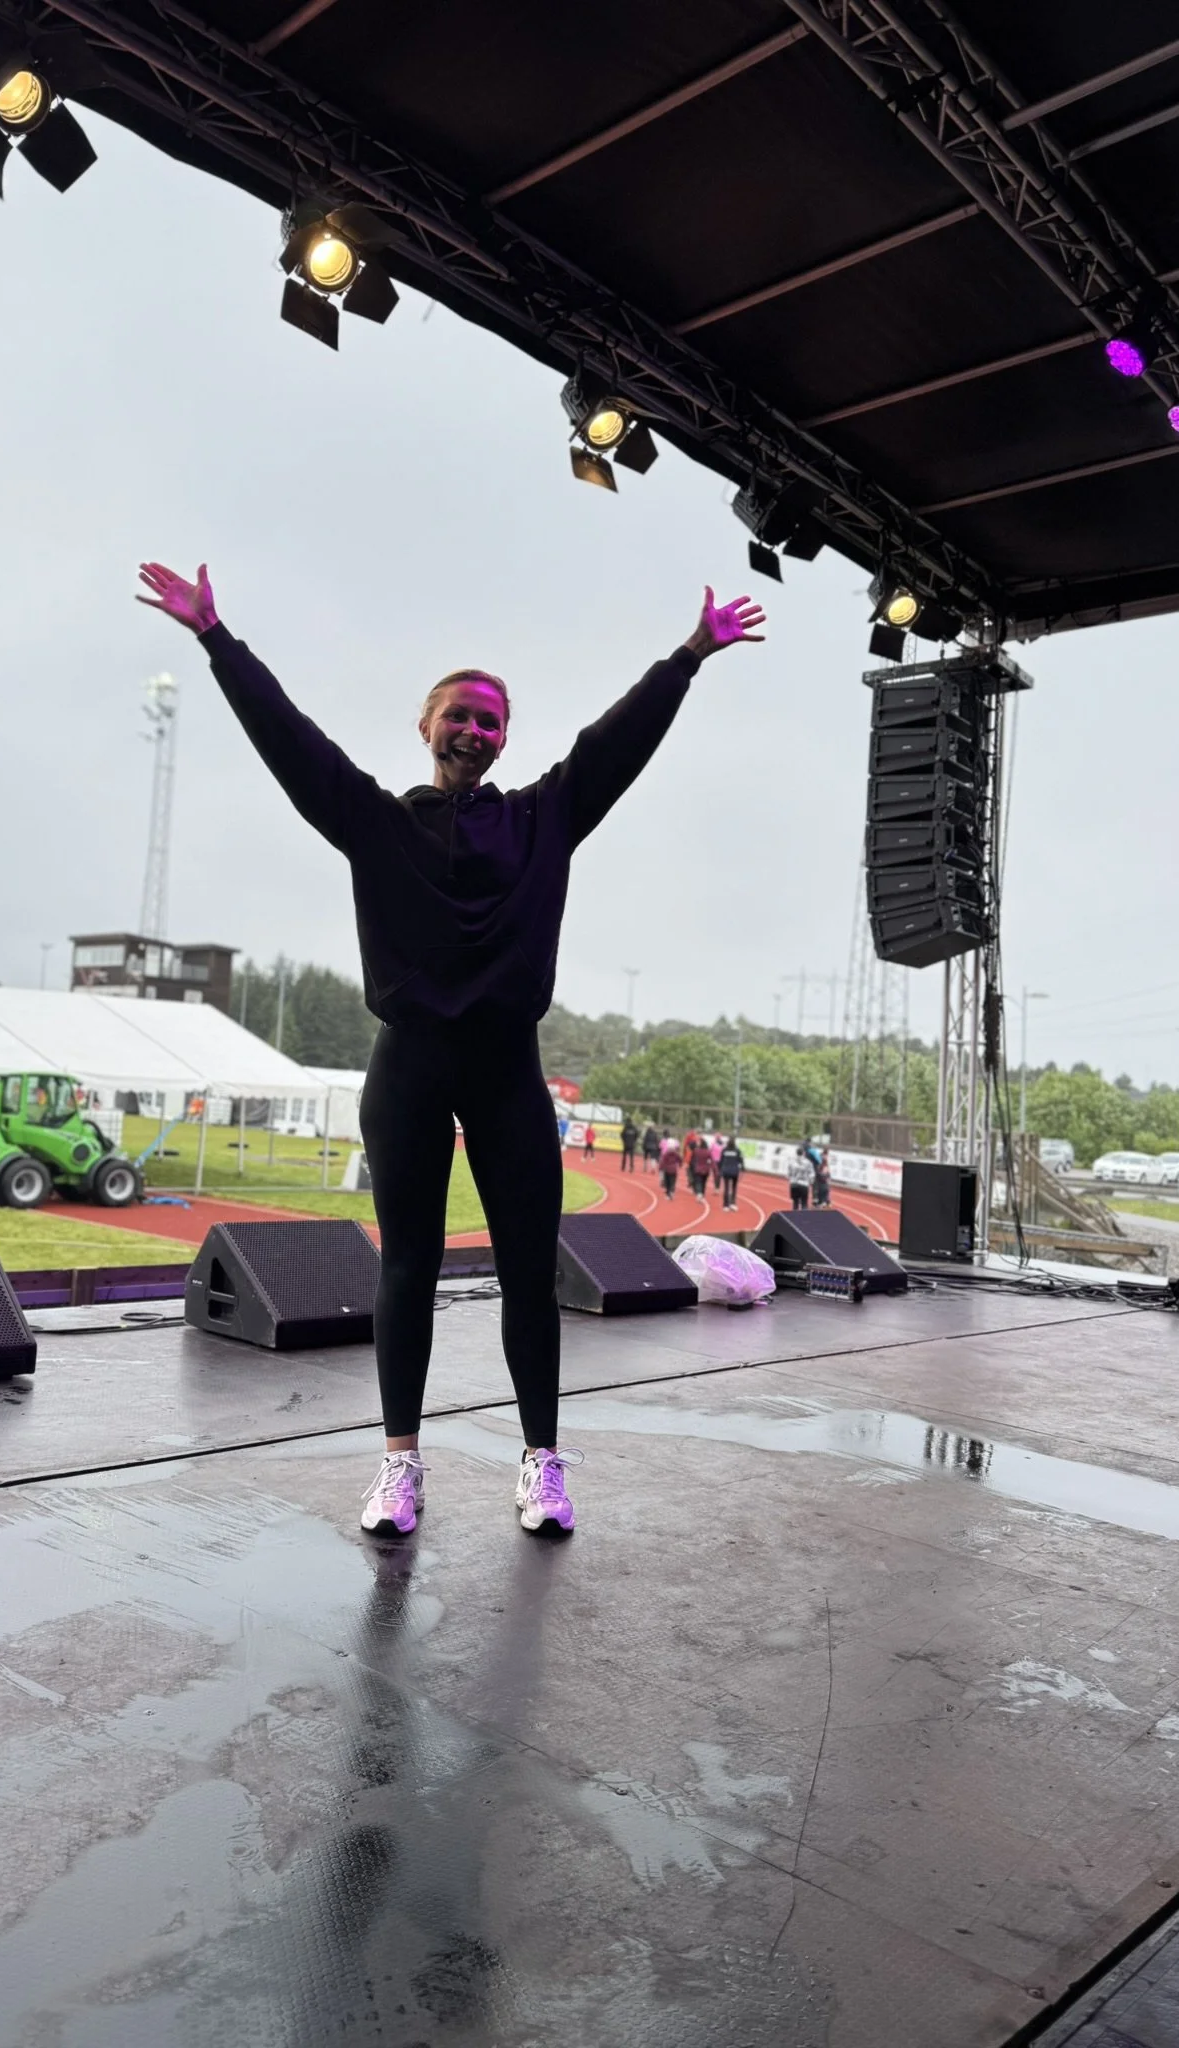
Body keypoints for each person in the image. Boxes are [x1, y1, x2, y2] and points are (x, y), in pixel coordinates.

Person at [138, 560, 765, 1538]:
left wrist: (688, 655)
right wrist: (218, 639)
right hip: (410, 1065)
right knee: (408, 1269)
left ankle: (542, 1462)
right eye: (459, 715)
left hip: (508, 1065)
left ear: (505, 738)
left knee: (530, 1270)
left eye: (491, 720)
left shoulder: (542, 819)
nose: (475, 730)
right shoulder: (376, 823)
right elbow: (293, 742)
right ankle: (400, 1464)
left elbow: (613, 746)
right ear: (426, 727)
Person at [719, 1136, 744, 1210]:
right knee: (734, 1187)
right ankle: (733, 1203)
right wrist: (743, 1168)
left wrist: (720, 1169)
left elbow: (721, 1161)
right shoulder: (737, 1151)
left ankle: (725, 1205)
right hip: (734, 1172)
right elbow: (740, 1160)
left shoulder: (724, 1150)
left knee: (726, 1188)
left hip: (726, 1171)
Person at [788, 1146, 815, 1210]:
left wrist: (792, 1179)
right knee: (804, 1203)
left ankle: (794, 1215)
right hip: (804, 1184)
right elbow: (812, 1174)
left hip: (794, 1184)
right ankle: (804, 1216)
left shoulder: (791, 1162)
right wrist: (811, 1182)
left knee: (795, 1203)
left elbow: (788, 1174)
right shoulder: (808, 1162)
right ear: (803, 1153)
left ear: (796, 1153)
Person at [687, 1134, 712, 1199]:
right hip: (693, 1163)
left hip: (698, 1164)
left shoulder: (704, 1147)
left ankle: (698, 1191)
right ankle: (695, 1187)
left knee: (698, 1178)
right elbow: (689, 1150)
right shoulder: (693, 1144)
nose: (698, 1141)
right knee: (693, 1176)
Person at [659, 1133, 683, 1200]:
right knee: (673, 1181)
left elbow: (663, 1161)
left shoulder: (666, 1154)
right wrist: (680, 1164)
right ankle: (672, 1192)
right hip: (674, 1170)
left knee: (667, 1182)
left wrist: (661, 1167)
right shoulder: (676, 1154)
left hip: (667, 1170)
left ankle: (668, 1194)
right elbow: (680, 1159)